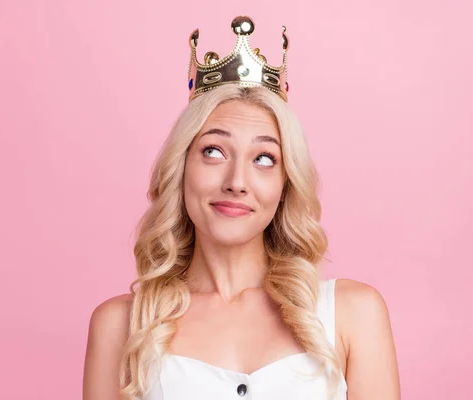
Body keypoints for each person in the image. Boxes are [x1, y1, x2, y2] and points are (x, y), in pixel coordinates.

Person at [83, 15, 400, 400]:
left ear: (286, 184)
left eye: (264, 158)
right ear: (181, 168)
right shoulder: (120, 327)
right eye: (213, 151)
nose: (236, 181)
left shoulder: (353, 316)